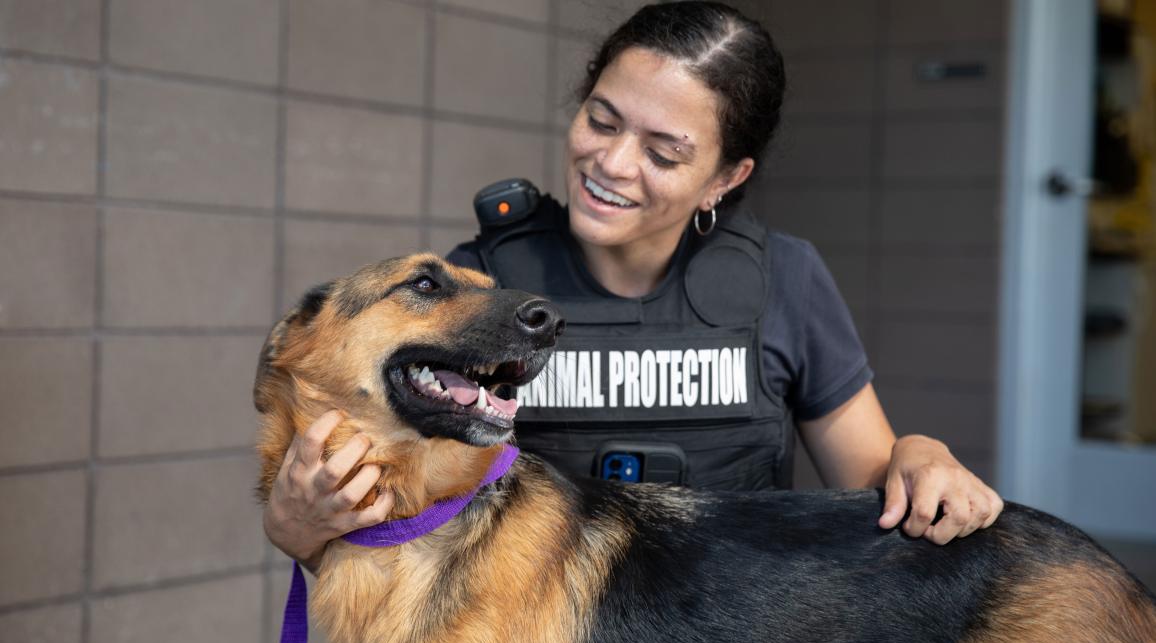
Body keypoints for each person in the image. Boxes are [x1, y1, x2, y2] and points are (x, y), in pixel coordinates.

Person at [263, 1, 1003, 575]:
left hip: (733, 620)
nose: (612, 163)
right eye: (602, 119)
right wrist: (296, 520)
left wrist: (920, 453)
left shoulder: (788, 281)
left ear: (725, 177)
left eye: (663, 151)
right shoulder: (474, 292)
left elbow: (872, 492)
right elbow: (392, 533)